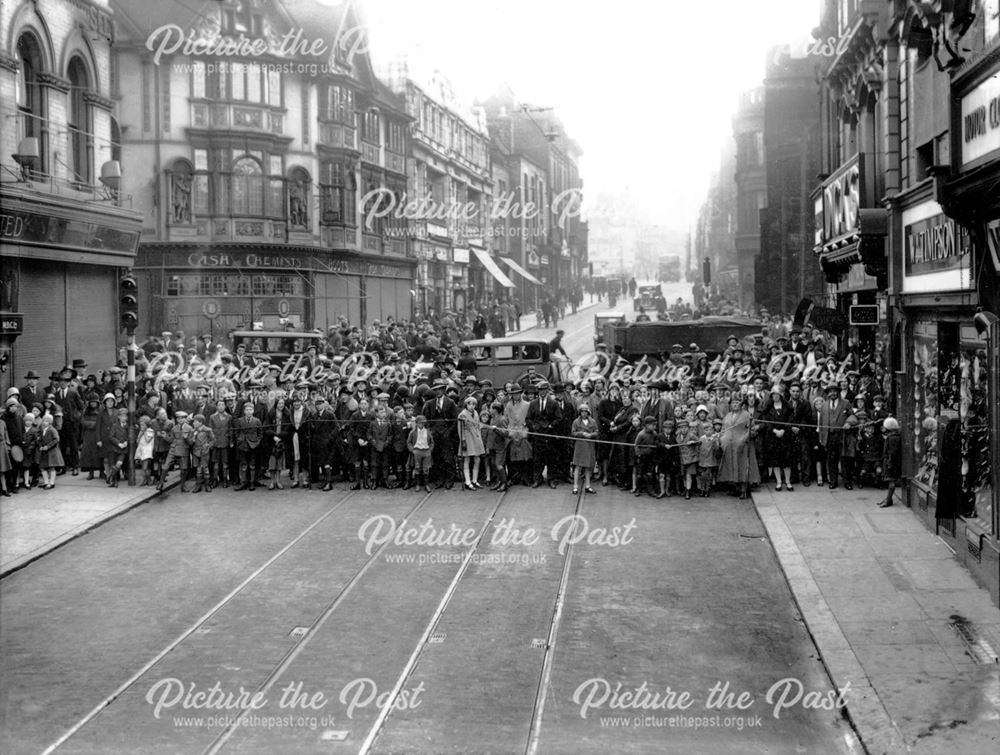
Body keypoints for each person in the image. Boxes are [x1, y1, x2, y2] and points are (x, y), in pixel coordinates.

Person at [717, 394, 760, 499]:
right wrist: (722, 439)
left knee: (742, 466)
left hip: (742, 446)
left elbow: (753, 430)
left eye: (737, 402)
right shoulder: (727, 416)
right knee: (732, 466)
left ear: (741, 404)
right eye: (733, 403)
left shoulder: (746, 415)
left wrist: (744, 438)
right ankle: (735, 487)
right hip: (729, 446)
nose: (735, 404)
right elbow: (723, 430)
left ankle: (743, 489)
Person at [761, 386, 794, 491]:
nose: (775, 396)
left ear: (781, 395)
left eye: (777, 394)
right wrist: (775, 431)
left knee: (787, 460)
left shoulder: (788, 407)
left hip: (785, 437)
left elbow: (790, 420)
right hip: (773, 438)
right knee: (775, 461)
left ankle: (787, 481)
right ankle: (779, 482)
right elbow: (767, 422)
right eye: (773, 395)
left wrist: (784, 430)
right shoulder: (769, 409)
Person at [458, 396, 485, 490]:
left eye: (473, 404)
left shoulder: (476, 413)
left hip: (476, 438)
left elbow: (478, 425)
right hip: (468, 438)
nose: (472, 406)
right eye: (469, 404)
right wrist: (463, 440)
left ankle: (475, 480)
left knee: (477, 459)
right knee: (467, 459)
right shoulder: (462, 415)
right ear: (466, 405)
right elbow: (460, 429)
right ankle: (467, 482)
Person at [571, 403, 598, 494]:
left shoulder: (593, 422)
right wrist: (581, 434)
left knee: (588, 467)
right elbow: (573, 433)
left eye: (585, 411)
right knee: (577, 466)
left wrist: (591, 435)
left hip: (589, 446)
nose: (584, 413)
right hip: (580, 446)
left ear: (588, 412)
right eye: (582, 412)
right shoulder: (576, 422)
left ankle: (588, 486)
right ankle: (575, 487)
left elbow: (597, 432)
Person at [406, 415, 434, 493]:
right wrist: (412, 450)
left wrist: (430, 450)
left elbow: (432, 442)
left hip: (426, 451)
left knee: (426, 468)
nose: (421, 424)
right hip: (417, 451)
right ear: (417, 423)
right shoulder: (412, 432)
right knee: (417, 468)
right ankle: (417, 484)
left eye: (423, 423)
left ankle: (426, 484)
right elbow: (409, 442)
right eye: (419, 423)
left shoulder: (428, 431)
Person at [37, 414, 64, 489]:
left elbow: (56, 440)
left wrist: (48, 446)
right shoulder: (42, 430)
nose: (44, 423)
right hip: (44, 451)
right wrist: (40, 446)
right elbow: (39, 439)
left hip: (52, 451)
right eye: (43, 421)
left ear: (50, 422)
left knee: (51, 467)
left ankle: (51, 483)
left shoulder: (52, 430)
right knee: (42, 467)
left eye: (46, 421)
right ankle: (46, 482)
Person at [880, 417, 901, 508]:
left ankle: (888, 500)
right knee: (890, 481)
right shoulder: (894, 436)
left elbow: (892, 452)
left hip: (891, 462)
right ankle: (888, 499)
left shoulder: (892, 438)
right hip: (891, 461)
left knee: (891, 481)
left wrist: (889, 463)